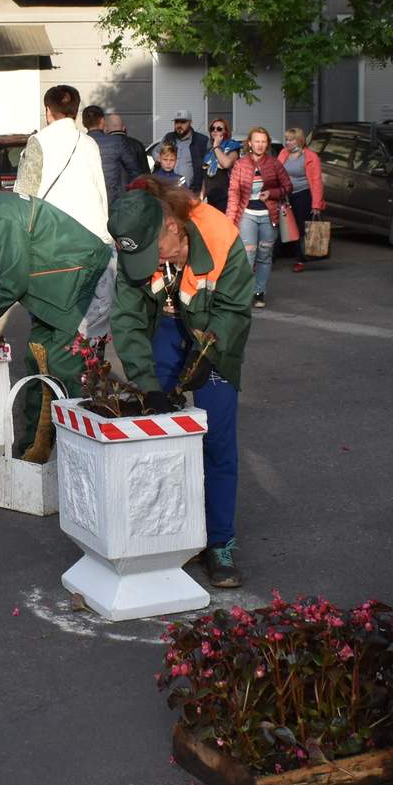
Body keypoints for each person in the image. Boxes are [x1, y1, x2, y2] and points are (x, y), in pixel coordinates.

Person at [107, 178, 256, 589]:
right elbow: (128, 319)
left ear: (172, 226)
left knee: (218, 438)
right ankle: (168, 531)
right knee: (154, 428)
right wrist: (149, 384)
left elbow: (234, 309)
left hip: (215, 327)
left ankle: (219, 543)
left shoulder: (220, 236)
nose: (151, 262)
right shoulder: (137, 240)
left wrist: (209, 354)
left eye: (155, 251)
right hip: (168, 328)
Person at [0, 175, 111, 460]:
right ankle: (33, 452)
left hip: (85, 284)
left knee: (65, 367)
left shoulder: (2, 216)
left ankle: (79, 455)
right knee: (37, 361)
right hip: (55, 293)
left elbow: (12, 283)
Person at [15, 84, 113, 334]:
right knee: (89, 328)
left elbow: (24, 198)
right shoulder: (90, 144)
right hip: (95, 244)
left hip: (54, 247)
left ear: (48, 111)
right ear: (76, 111)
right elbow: (101, 194)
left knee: (50, 326)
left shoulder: (38, 141)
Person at [224, 126, 292, 309]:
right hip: (247, 215)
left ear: (267, 144)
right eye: (257, 141)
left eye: (263, 141)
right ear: (250, 143)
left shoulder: (274, 164)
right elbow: (233, 194)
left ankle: (259, 292)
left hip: (269, 216)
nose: (260, 145)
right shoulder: (241, 164)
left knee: (264, 255)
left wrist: (271, 193)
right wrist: (229, 221)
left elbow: (287, 187)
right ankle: (245, 292)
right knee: (248, 255)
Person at [278, 127, 326, 274]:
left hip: (303, 195)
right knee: (285, 227)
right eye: (287, 139)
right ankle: (284, 254)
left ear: (299, 140)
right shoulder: (283, 153)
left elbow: (317, 181)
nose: (288, 142)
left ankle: (300, 259)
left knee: (301, 228)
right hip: (286, 196)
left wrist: (316, 204)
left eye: (291, 140)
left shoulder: (310, 156)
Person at [90, 110, 149, 205]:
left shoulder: (97, 144)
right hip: (131, 196)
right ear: (124, 128)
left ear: (106, 129)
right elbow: (144, 173)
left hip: (108, 196)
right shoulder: (137, 145)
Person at [158, 112, 212, 195]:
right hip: (168, 191)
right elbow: (156, 152)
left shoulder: (202, 140)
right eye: (177, 122)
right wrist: (164, 160)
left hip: (193, 192)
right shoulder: (169, 137)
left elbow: (209, 166)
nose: (179, 125)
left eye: (183, 122)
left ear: (190, 122)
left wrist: (203, 192)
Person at [200, 118, 239, 212]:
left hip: (227, 198)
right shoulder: (209, 151)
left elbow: (227, 164)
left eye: (219, 129)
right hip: (211, 198)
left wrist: (217, 146)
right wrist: (201, 196)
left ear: (225, 131)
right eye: (212, 128)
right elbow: (206, 176)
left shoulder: (232, 146)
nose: (215, 130)